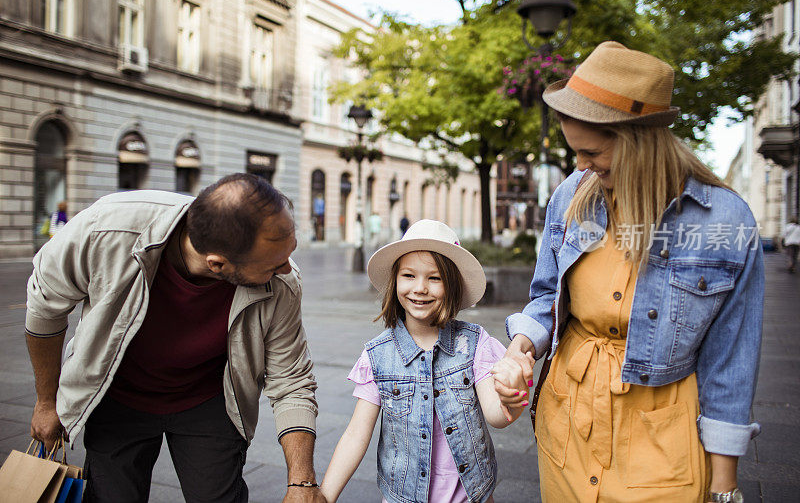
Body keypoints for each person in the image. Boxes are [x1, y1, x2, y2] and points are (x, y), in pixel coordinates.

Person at [493, 42, 763, 503]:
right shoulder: (572, 196)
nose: (580, 165)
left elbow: (730, 361)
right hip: (567, 427)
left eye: (591, 151)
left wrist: (724, 484)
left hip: (662, 443)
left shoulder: (725, 222)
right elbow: (546, 298)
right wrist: (521, 349)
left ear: (640, 142)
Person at [25, 173, 324, 503]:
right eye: (274, 264)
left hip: (209, 399)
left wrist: (302, 483)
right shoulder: (106, 230)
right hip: (117, 395)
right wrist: (45, 402)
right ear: (217, 264)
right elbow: (44, 310)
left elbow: (291, 380)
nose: (287, 269)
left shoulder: (282, 284)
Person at [320, 220, 525, 503]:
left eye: (435, 278)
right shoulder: (378, 356)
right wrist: (325, 495)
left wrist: (510, 400)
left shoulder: (474, 343)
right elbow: (356, 434)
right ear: (395, 282)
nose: (420, 288)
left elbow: (495, 415)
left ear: (452, 286)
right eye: (409, 275)